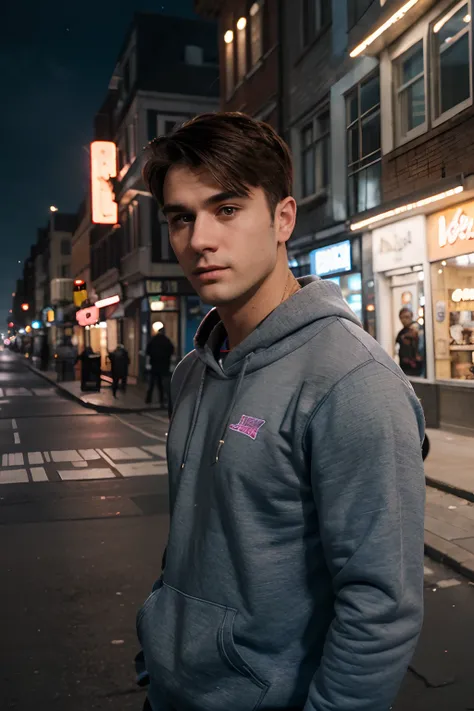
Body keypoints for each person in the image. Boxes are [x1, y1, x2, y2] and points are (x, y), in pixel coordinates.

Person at [136, 113, 426, 711]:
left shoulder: (351, 381)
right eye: (180, 217)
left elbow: (381, 607)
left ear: (282, 219)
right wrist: (160, 639)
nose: (199, 240)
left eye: (228, 209)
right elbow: (194, 540)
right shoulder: (195, 371)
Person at [145, 327, 174, 407]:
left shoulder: (153, 340)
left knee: (152, 383)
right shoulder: (166, 340)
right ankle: (161, 401)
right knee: (161, 384)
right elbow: (171, 350)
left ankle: (148, 400)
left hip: (154, 365)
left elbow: (147, 351)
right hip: (164, 365)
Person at [396, 307, 423, 377]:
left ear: (411, 316)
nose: (404, 320)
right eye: (402, 317)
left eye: (407, 317)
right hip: (405, 368)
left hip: (417, 368)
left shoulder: (418, 329)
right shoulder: (401, 333)